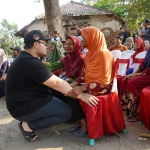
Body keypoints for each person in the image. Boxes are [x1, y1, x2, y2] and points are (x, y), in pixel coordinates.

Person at [5, 30, 99, 142]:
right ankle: (28, 126)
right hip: (24, 107)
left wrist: (74, 87)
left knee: (63, 92)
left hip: (27, 101)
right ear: (36, 44)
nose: (47, 47)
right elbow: (56, 82)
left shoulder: (27, 59)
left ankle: (78, 121)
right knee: (66, 112)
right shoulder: (30, 62)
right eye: (44, 44)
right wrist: (81, 95)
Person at [67, 26, 115, 136]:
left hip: (102, 87)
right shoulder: (89, 54)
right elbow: (83, 75)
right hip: (88, 84)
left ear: (93, 38)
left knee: (75, 93)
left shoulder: (104, 54)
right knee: (67, 91)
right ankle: (80, 121)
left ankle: (85, 125)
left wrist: (83, 88)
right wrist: (72, 85)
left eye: (84, 37)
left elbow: (105, 81)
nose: (81, 39)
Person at [120, 47, 150, 122]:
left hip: (148, 74)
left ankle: (134, 112)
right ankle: (126, 107)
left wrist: (140, 74)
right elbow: (143, 64)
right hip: (145, 73)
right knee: (126, 79)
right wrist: (134, 73)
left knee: (132, 83)